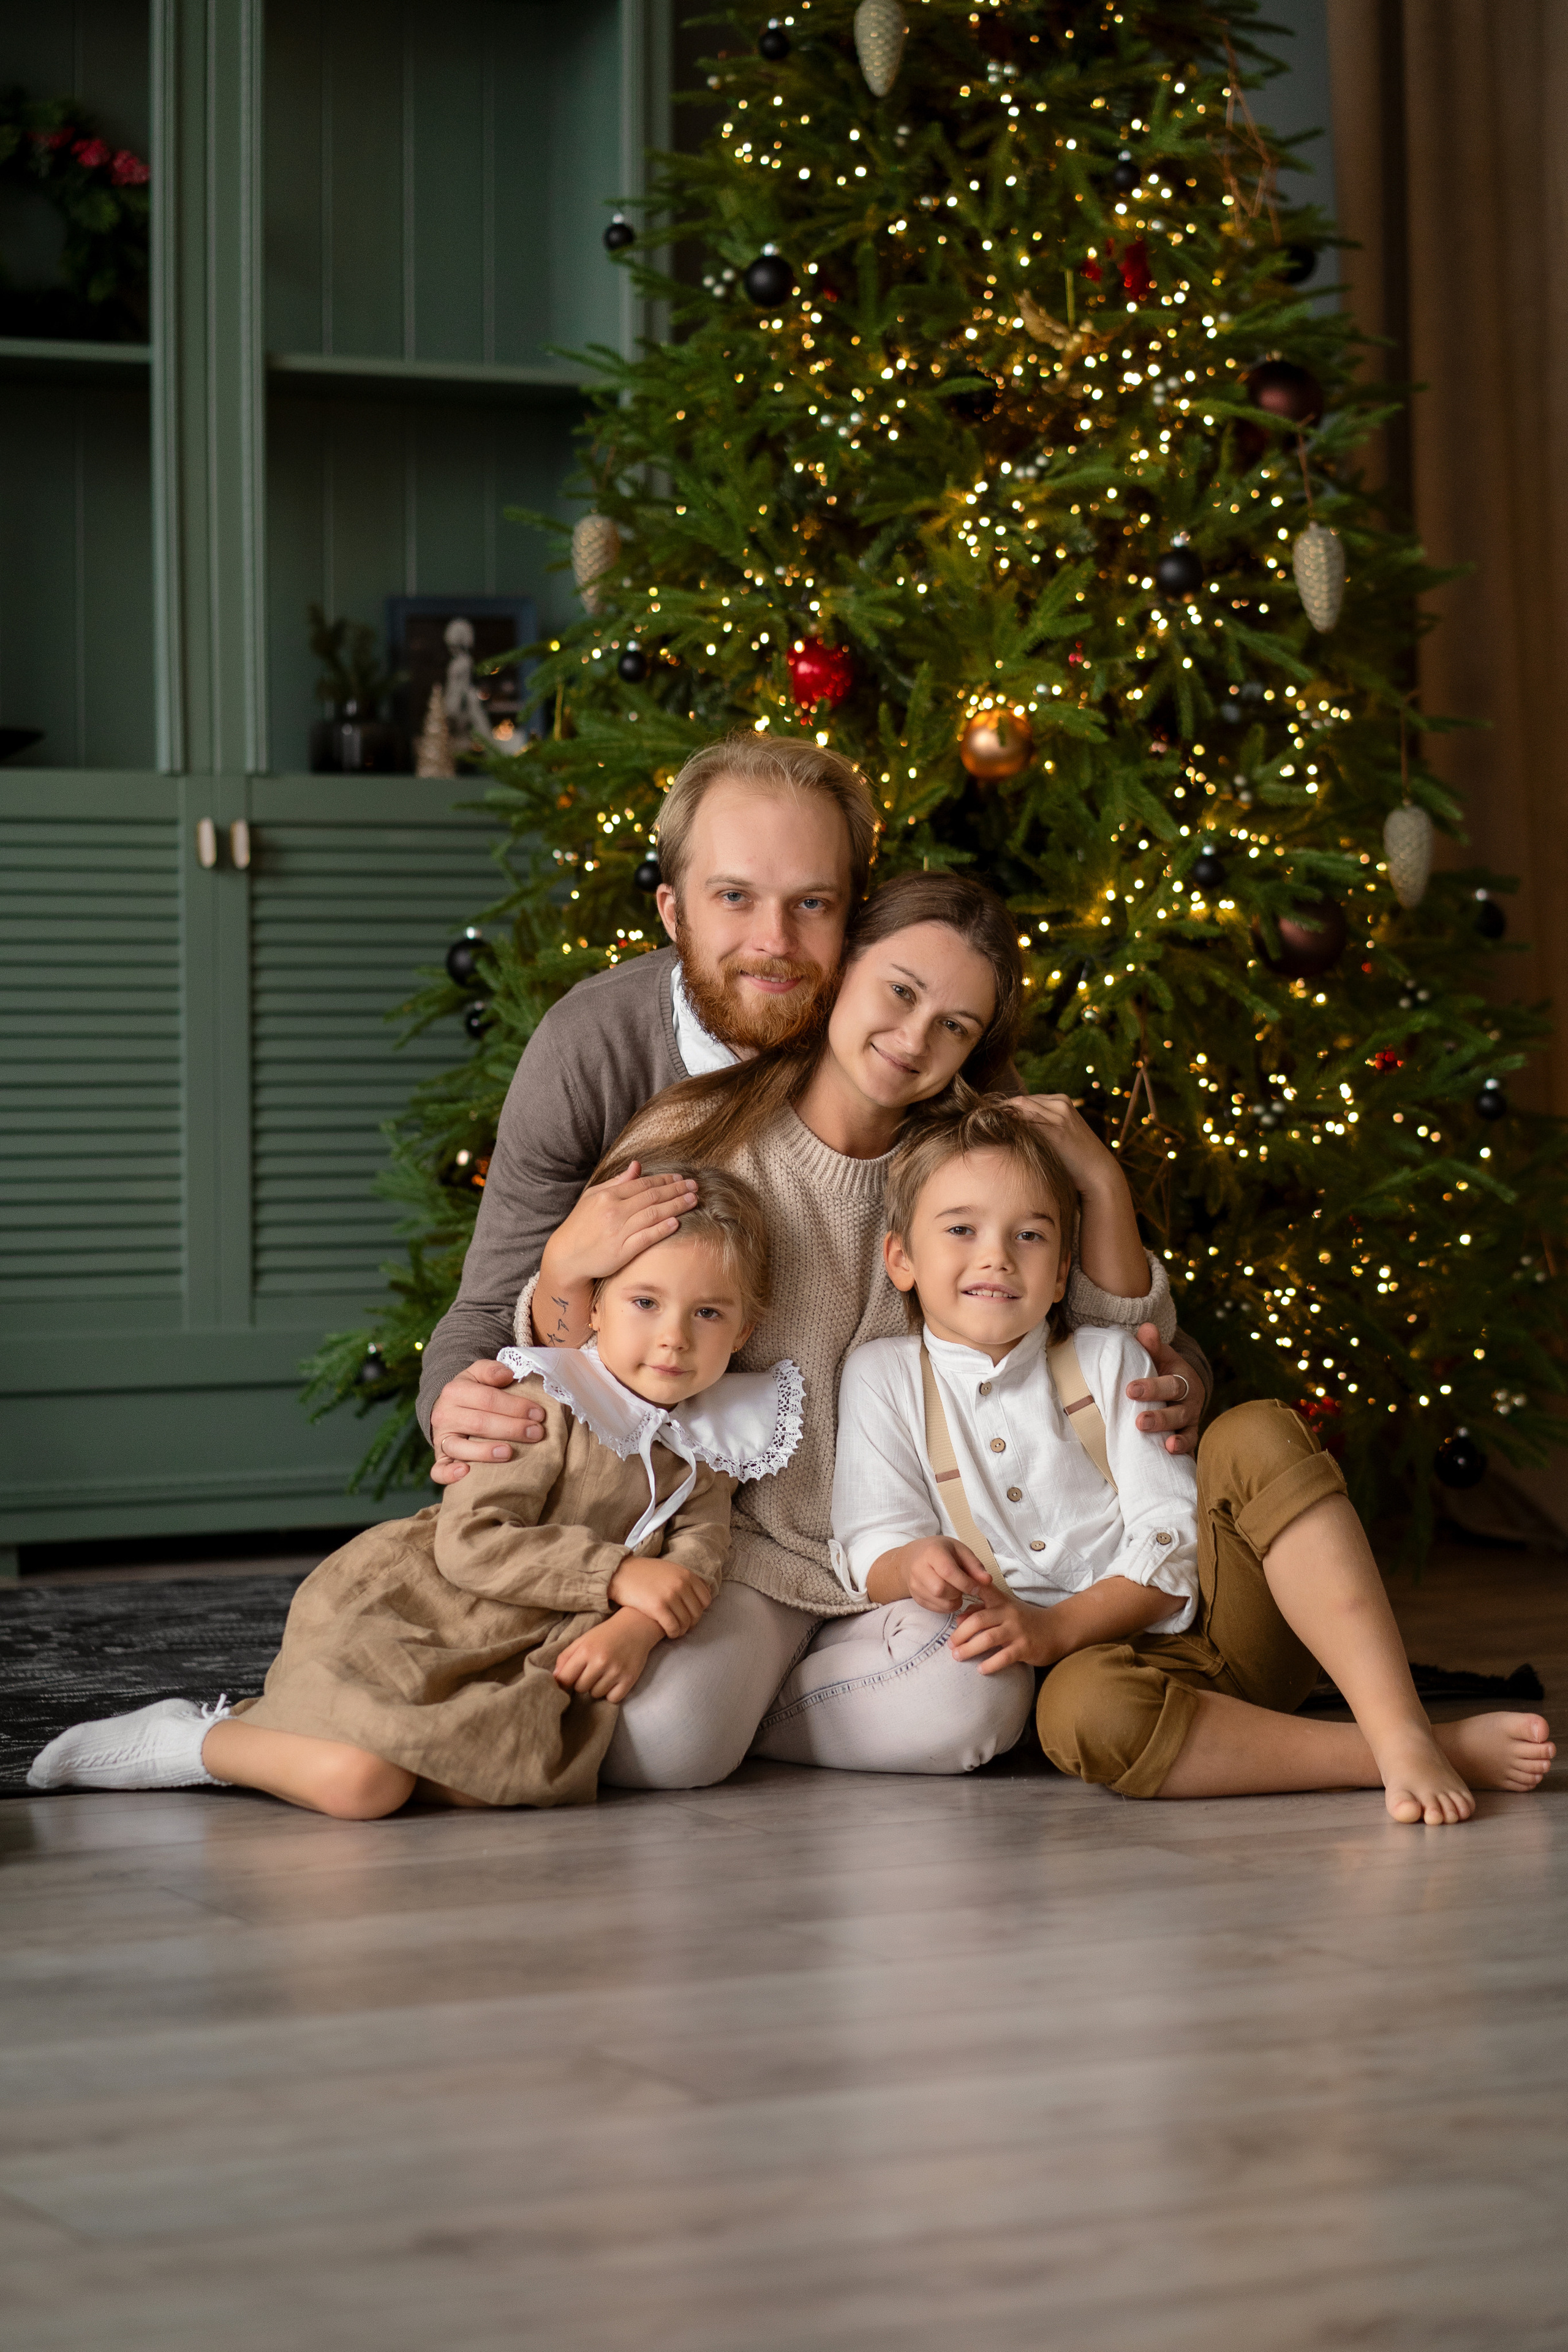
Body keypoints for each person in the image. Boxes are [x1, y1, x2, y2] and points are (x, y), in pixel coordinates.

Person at [518, 871, 1196, 1789]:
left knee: (975, 1704)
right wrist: (563, 1268)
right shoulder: (706, 1136)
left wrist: (1101, 1186)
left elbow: (1110, 1342)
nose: (916, 1039)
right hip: (746, 1558)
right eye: (900, 992)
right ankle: (752, 1700)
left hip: (933, 1555)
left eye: (955, 1026)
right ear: (841, 973)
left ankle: (782, 1707)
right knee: (661, 1747)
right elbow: (594, 1344)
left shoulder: (966, 1163)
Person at [421, 731, 1207, 1480]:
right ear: (672, 911)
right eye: (733, 896)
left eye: (811, 905)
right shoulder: (589, 1046)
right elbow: (494, 1304)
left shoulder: (919, 1055)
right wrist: (455, 1401)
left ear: (855, 919)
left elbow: (1075, 1298)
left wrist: (1182, 1379)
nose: (773, 942)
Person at [823, 1098, 1556, 1824]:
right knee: (1082, 1716)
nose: (996, 1256)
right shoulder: (882, 1377)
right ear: (902, 1260)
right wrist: (912, 1563)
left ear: (1060, 1274)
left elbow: (1172, 1537)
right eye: (960, 1229)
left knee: (1255, 1431)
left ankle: (1398, 1725)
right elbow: (871, 1538)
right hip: (1111, 1682)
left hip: (1237, 1633)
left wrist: (1054, 1628)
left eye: (1029, 1235)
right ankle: (1405, 1753)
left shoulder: (1106, 1360)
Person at [29, 1170, 803, 1819]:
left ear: (742, 1329)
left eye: (707, 1314)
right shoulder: (548, 1397)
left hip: (527, 1655)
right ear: (594, 1305)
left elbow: (699, 1555)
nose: (673, 1337)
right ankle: (196, 1740)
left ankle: (290, 1741)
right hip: (425, 1618)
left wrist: (635, 1627)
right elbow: (474, 1542)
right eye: (645, 1302)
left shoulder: (712, 1442)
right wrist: (615, 1576)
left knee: (505, 1776)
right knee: (365, 1786)